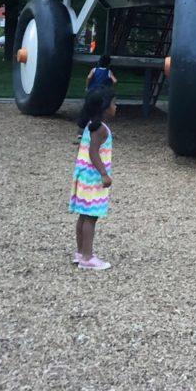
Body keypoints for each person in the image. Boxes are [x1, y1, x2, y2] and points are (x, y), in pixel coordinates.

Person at [69, 88, 116, 271]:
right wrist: (104, 173)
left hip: (84, 176)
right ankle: (87, 257)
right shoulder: (100, 129)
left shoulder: (91, 125)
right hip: (93, 178)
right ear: (104, 107)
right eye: (113, 103)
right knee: (91, 217)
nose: (115, 106)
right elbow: (93, 152)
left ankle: (80, 253)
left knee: (83, 215)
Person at [77, 55, 117, 134]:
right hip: (102, 93)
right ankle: (98, 128)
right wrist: (109, 88)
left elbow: (89, 77)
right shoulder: (108, 72)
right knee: (100, 111)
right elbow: (115, 81)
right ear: (108, 63)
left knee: (87, 109)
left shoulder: (94, 70)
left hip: (92, 92)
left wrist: (87, 87)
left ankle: (81, 131)